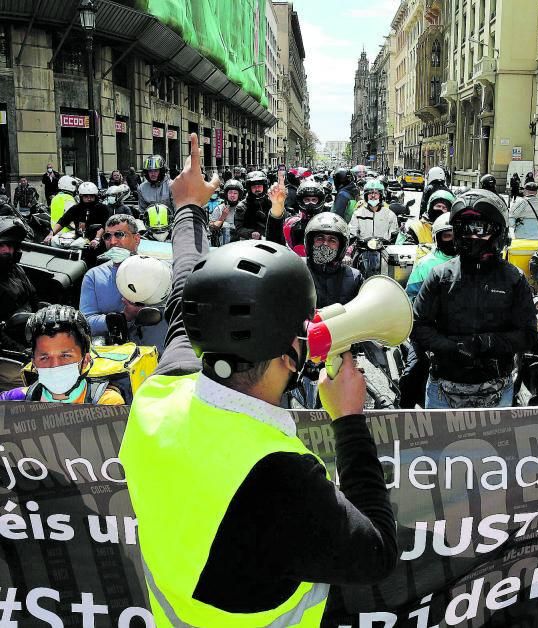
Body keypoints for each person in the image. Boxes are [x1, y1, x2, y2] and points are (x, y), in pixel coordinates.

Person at [120, 134, 397, 627]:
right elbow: (376, 554)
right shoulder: (280, 476)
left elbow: (186, 287)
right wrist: (349, 420)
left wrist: (187, 208)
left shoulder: (158, 396)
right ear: (294, 353)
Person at [412, 189, 537, 409]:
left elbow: (527, 335)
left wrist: (487, 343)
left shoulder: (514, 279)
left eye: (480, 230)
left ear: (497, 231)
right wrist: (453, 347)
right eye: (465, 229)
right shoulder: (440, 276)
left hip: (497, 389)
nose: (472, 237)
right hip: (444, 388)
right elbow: (418, 326)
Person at [79, 214, 168, 354]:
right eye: (107, 236)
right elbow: (86, 322)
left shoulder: (160, 271)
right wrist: (123, 317)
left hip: (158, 353)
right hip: (115, 359)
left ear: (136, 238)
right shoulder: (94, 276)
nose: (113, 241)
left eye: (119, 235)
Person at [0, 304, 124, 404]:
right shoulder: (17, 399)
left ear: (85, 359)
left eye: (65, 356)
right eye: (44, 357)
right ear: (34, 363)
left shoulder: (108, 403)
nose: (55, 365)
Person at [400, 213, 456, 409]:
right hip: (426, 330)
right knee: (412, 372)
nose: (452, 240)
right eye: (447, 235)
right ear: (437, 238)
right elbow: (411, 296)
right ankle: (404, 413)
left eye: (456, 235)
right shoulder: (426, 264)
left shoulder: (471, 264)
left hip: (459, 330)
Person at [0, 216, 38, 353]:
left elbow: (34, 301)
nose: (6, 251)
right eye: (1, 246)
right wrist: (21, 351)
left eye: (9, 245)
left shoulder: (16, 269)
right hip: (9, 350)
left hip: (30, 334)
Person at [266, 180, 327, 257]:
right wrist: (277, 205)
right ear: (301, 201)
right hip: (295, 266)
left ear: (320, 201)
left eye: (314, 200)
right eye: (307, 200)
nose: (310, 204)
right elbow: (275, 245)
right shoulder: (290, 224)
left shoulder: (329, 223)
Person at [44, 181, 107, 246]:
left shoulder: (102, 208)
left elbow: (105, 225)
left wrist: (97, 238)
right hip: (79, 241)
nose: (89, 199)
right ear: (81, 196)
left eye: (91, 196)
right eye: (86, 196)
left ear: (95, 196)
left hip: (97, 241)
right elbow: (63, 221)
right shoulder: (76, 208)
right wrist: (51, 234)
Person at [397, 189, 455, 255]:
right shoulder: (415, 228)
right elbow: (406, 252)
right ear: (430, 207)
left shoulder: (455, 230)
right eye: (438, 206)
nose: (440, 209)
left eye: (444, 208)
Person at [349, 179, 398, 243]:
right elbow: (352, 233)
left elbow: (394, 236)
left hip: (384, 249)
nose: (373, 196)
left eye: (376, 193)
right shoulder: (358, 214)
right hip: (363, 249)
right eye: (370, 193)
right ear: (366, 196)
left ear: (381, 196)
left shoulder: (390, 215)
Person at [233, 170, 270, 240]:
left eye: (259, 186)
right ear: (249, 188)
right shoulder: (242, 206)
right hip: (250, 243)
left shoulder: (271, 202)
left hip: (271, 241)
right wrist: (251, 233)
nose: (257, 189)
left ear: (264, 186)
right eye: (254, 187)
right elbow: (238, 229)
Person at [209, 178, 244, 246]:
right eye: (230, 192)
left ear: (239, 195)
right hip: (224, 246)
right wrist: (222, 217)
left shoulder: (244, 208)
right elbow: (211, 229)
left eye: (235, 193)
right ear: (226, 194)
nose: (232, 195)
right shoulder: (219, 208)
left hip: (241, 245)